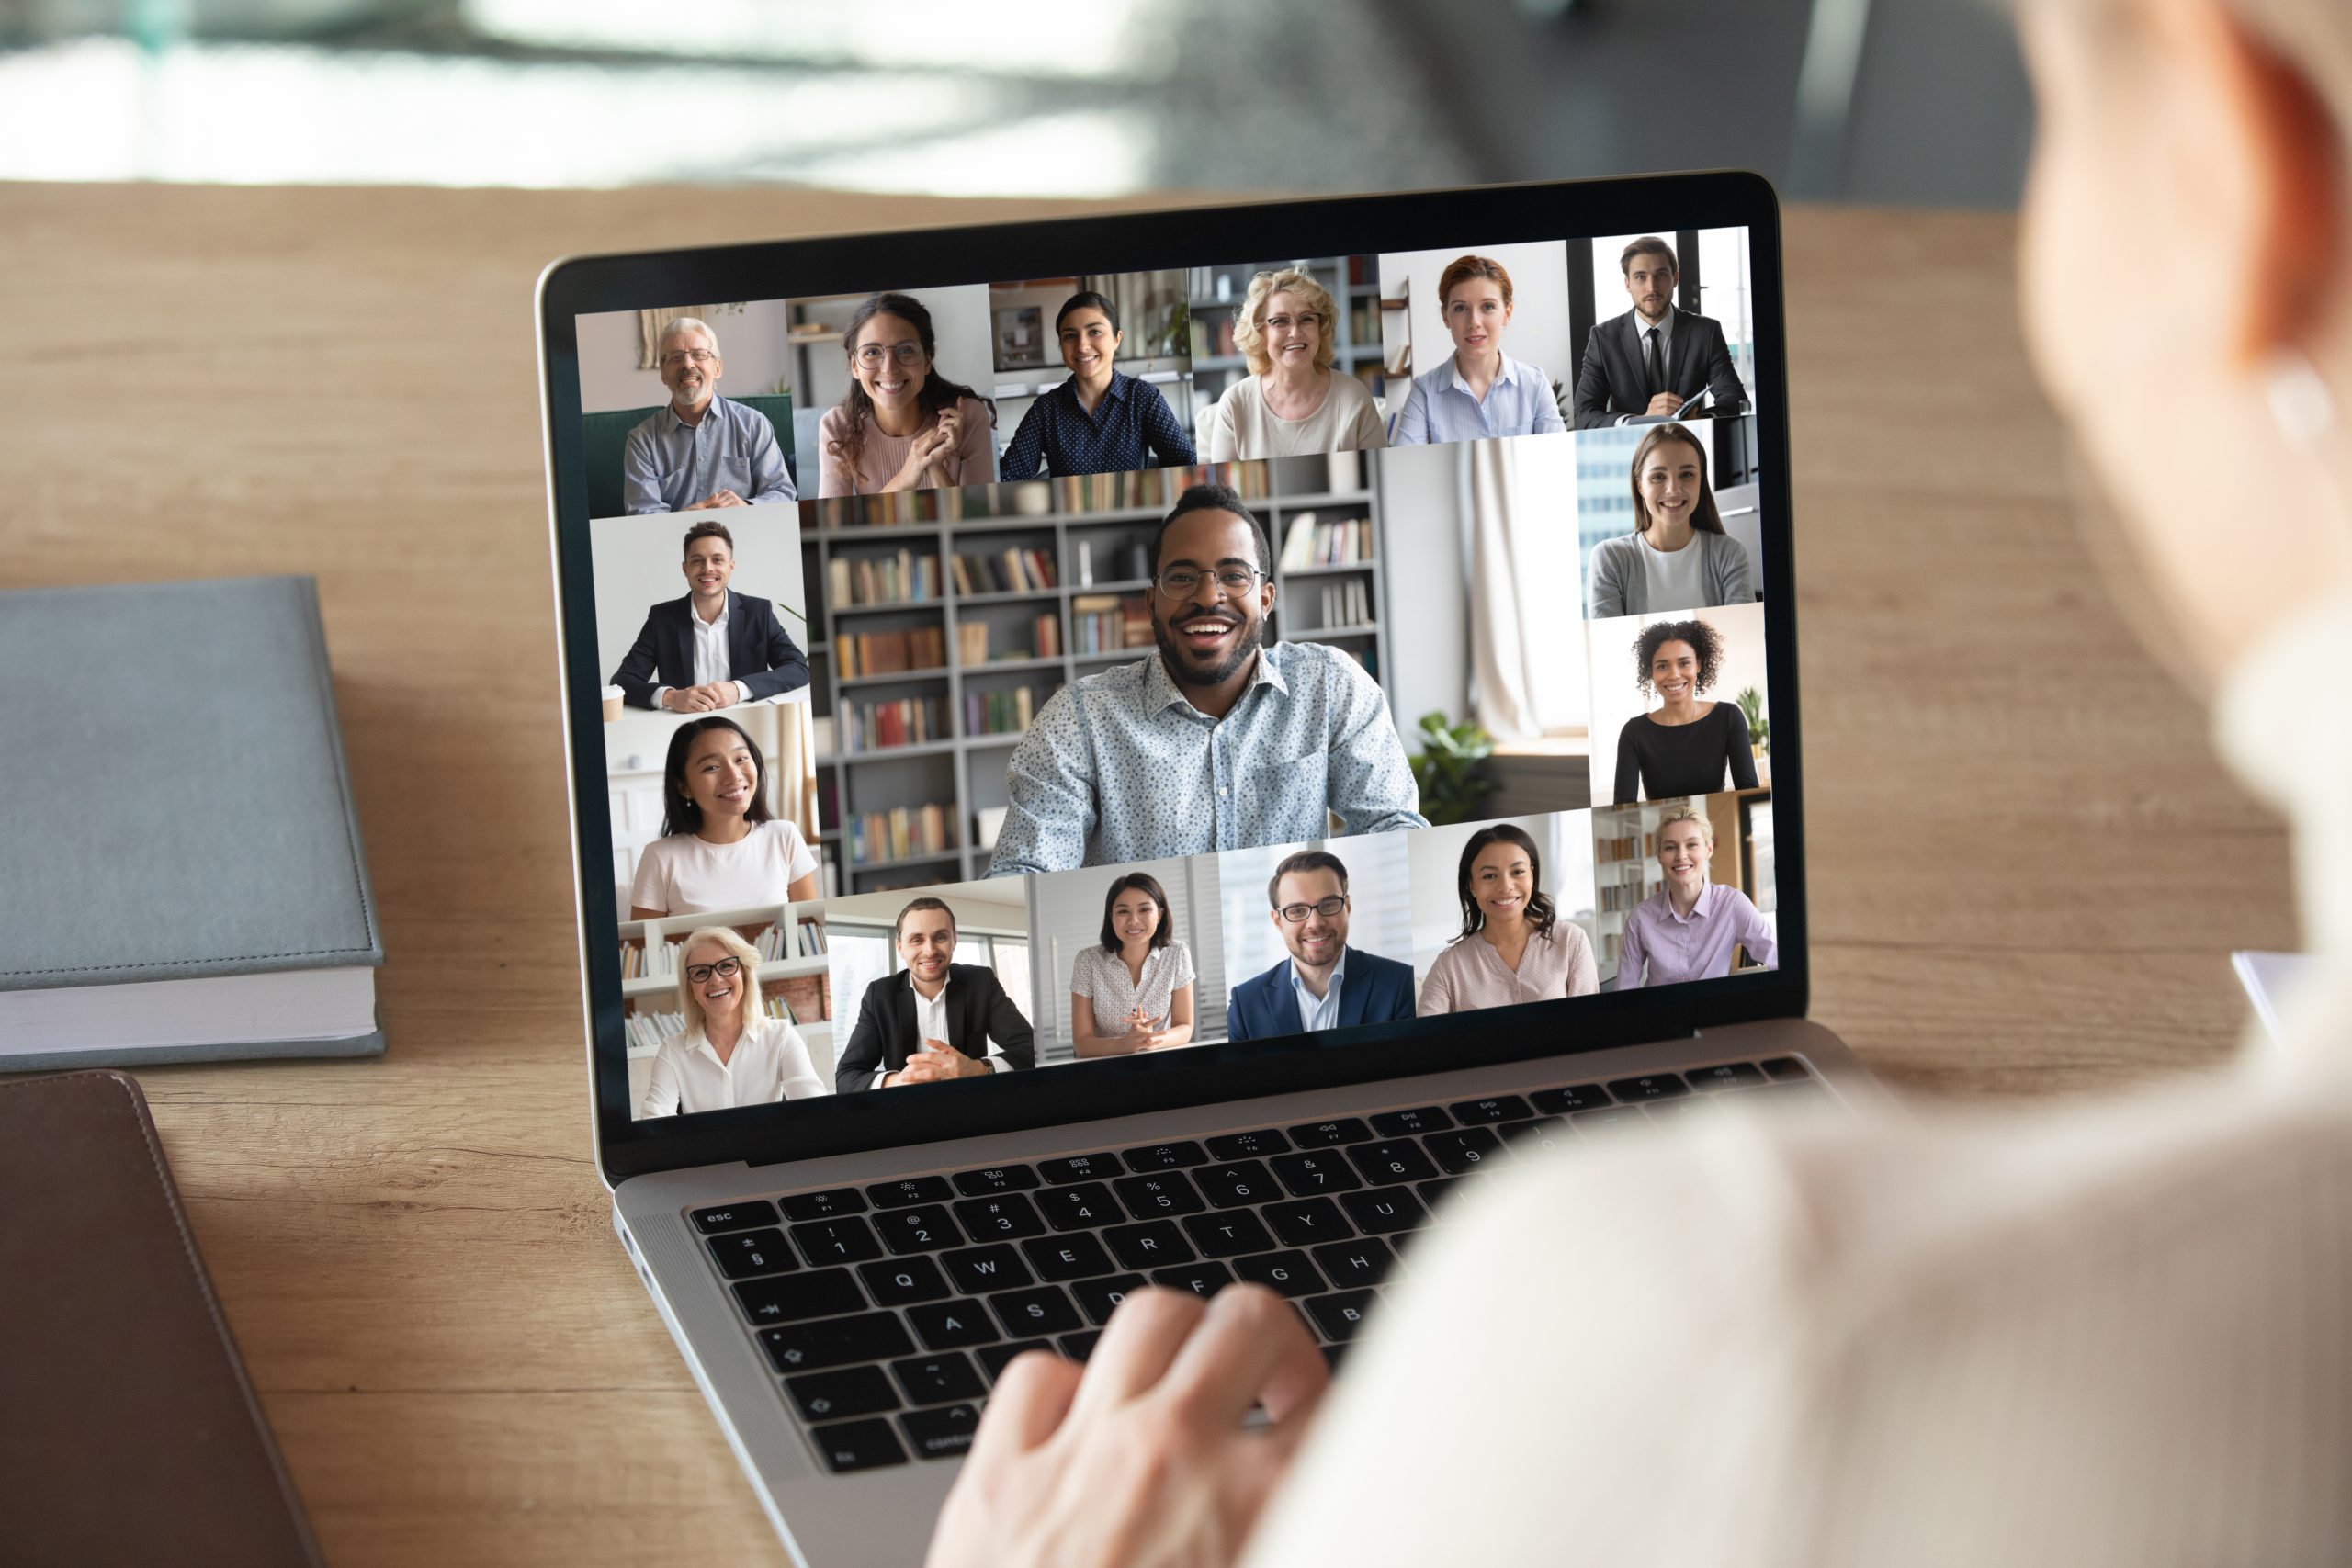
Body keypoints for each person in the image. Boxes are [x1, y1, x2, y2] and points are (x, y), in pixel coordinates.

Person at [928, 5, 2352, 1564]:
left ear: (2230, 173)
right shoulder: (1087, 722)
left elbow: (1395, 839)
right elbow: (1046, 900)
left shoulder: (1720, 1326)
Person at [989, 483, 1426, 874]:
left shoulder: (1329, 685)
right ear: (1150, 603)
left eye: (1234, 576)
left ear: (1266, 599)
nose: (1207, 596)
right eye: (1181, 578)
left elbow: (1393, 829)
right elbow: (1027, 868)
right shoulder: (1080, 718)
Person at [835, 897, 1036, 1091]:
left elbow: (1030, 1048)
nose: (930, 951)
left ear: (954, 941)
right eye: (916, 940)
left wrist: (978, 1068)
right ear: (900, 948)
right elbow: (846, 1077)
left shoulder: (980, 981)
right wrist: (899, 1081)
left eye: (940, 937)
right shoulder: (879, 995)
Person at [607, 519, 809, 713]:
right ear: (685, 568)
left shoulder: (758, 612)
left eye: (717, 560)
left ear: (731, 566)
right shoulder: (662, 618)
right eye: (697, 561)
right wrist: (671, 697)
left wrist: (738, 689)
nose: (707, 568)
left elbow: (798, 668)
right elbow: (621, 681)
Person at [628, 716, 820, 917]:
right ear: (684, 787)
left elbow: (809, 931)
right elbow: (644, 946)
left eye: (740, 759)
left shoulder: (784, 836)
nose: (734, 776)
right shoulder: (660, 857)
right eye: (711, 767)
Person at [998, 291, 1197, 479]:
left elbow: (1185, 463)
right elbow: (1009, 475)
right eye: (1070, 336)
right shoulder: (1045, 410)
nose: (1082, 346)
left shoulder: (1143, 397)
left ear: (1116, 339)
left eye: (1094, 332)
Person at [1225, 849, 1418, 1042]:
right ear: (1277, 921)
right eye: (1297, 910)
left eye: (1329, 904)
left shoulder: (1400, 984)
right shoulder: (1245, 1005)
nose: (1315, 923)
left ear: (1347, 907)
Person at [817, 293, 998, 497]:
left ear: (927, 361)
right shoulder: (836, 426)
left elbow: (976, 521)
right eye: (872, 352)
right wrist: (907, 475)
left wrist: (935, 466)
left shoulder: (968, 416)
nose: (889, 368)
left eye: (906, 350)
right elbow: (836, 528)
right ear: (854, 366)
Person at [636, 925, 824, 1116]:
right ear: (691, 989)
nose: (715, 979)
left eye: (726, 965)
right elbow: (654, 1123)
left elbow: (816, 1113)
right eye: (701, 972)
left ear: (744, 974)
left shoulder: (781, 1036)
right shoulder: (672, 1052)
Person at [1202, 269, 1387, 460]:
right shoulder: (1234, 404)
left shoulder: (1355, 397)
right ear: (1260, 332)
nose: (1295, 332)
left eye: (1306, 318)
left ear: (1320, 327)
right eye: (1280, 321)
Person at [619, 316, 796, 514]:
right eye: (676, 357)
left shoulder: (753, 424)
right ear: (664, 374)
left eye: (699, 355)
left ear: (717, 368)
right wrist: (684, 519)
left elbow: (782, 492)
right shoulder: (641, 441)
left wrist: (746, 507)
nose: (687, 364)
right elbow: (642, 513)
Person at [1415, 823, 1597, 1014]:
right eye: (1489, 876)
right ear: (1471, 885)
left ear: (1532, 876)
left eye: (1517, 872)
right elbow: (1426, 1041)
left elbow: (1590, 1024)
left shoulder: (1571, 941)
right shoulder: (1449, 967)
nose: (1505, 886)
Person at [1571, 236, 1749, 429]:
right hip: (1630, 448)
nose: (1652, 287)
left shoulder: (1706, 332)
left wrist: (1700, 420)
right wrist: (1638, 420)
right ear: (1627, 284)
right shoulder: (1603, 338)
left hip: (1690, 443)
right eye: (1640, 277)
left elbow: (1734, 400)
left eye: (1661, 274)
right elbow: (1583, 415)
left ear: (1676, 278)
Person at [1387, 254, 1566, 445]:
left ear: (1506, 314)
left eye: (1488, 306)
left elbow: (1557, 461)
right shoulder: (1424, 392)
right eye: (1460, 308)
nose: (1474, 322)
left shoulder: (1535, 385)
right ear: (1446, 317)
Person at [1586, 423, 1755, 616]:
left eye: (1687, 475)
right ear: (1640, 486)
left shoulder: (1729, 555)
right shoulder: (1610, 559)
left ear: (1701, 481)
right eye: (1658, 477)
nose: (1673, 489)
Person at [1614, 804, 1776, 988]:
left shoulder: (1733, 904)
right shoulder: (1640, 917)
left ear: (1709, 849)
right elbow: (1624, 989)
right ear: (1659, 855)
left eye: (1691, 845)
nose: (1681, 856)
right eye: (1670, 848)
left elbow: (1778, 958)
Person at [1611, 617, 1758, 804]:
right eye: (1662, 666)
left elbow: (1749, 794)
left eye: (1684, 663)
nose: (1674, 674)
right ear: (1651, 672)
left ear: (1699, 664)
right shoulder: (1633, 733)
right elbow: (1623, 806)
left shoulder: (1728, 718)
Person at [1068, 872, 1197, 1056]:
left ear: (1160, 915)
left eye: (1144, 910)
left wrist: (1150, 1041)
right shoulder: (1087, 960)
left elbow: (1184, 1027)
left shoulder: (1177, 954)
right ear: (1111, 917)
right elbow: (1082, 1043)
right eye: (1123, 911)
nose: (1134, 921)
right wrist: (1124, 1045)